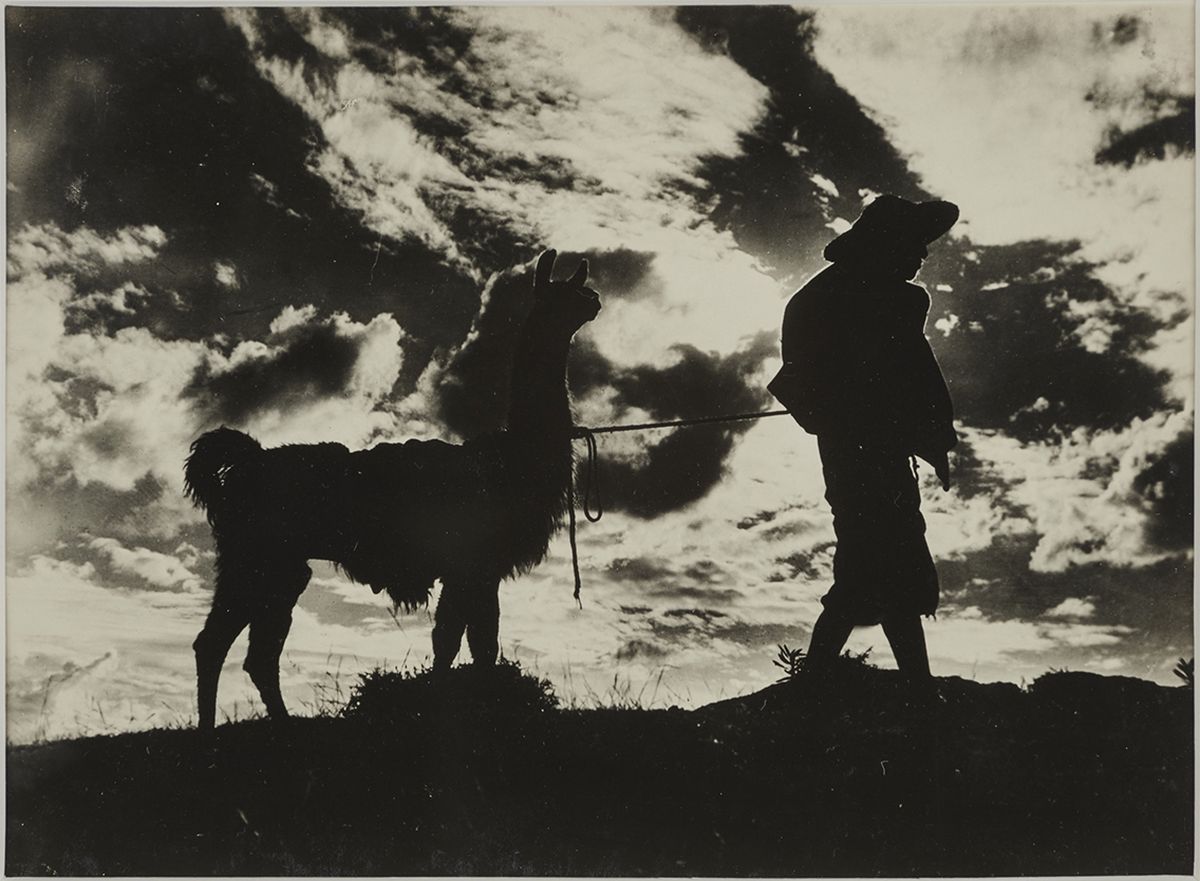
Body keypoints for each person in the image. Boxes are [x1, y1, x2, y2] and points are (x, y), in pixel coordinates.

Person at [769, 194, 959, 684]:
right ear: (885, 244)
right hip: (858, 456)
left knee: (884, 563)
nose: (921, 255)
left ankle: (894, 685)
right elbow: (809, 388)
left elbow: (914, 376)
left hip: (878, 453)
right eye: (913, 244)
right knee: (875, 562)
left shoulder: (881, 300)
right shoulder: (832, 302)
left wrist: (927, 435)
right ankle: (828, 685)